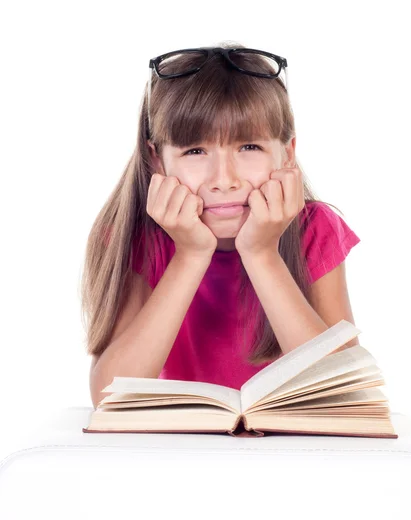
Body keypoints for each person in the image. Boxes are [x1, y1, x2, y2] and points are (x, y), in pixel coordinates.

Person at [82, 42, 361, 409]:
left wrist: (262, 253)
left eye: (248, 147)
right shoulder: (138, 238)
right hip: (177, 453)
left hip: (290, 454)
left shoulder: (315, 229)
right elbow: (108, 396)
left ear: (287, 153)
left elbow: (346, 392)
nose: (224, 180)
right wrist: (190, 254)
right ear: (158, 160)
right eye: (195, 151)